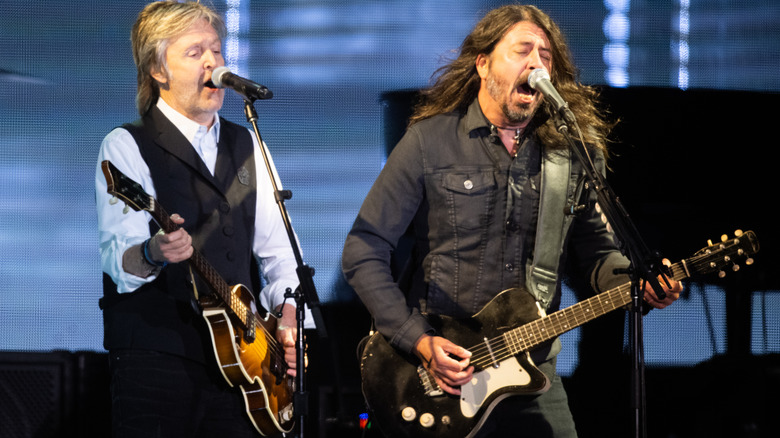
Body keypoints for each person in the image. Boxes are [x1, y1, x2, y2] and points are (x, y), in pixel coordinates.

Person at [342, 4, 682, 437]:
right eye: (523, 50)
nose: (537, 63)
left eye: (546, 56)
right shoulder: (430, 142)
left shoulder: (571, 154)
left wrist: (638, 283)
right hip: (443, 368)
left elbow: (598, 255)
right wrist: (419, 339)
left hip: (533, 369)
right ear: (483, 64)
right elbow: (364, 248)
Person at [95, 2, 312, 436]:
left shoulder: (248, 145)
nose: (213, 63)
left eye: (217, 50)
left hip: (244, 370)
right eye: (196, 53)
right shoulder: (126, 145)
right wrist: (156, 251)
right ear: (159, 69)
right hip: (157, 366)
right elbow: (120, 261)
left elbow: (280, 254)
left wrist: (289, 315)